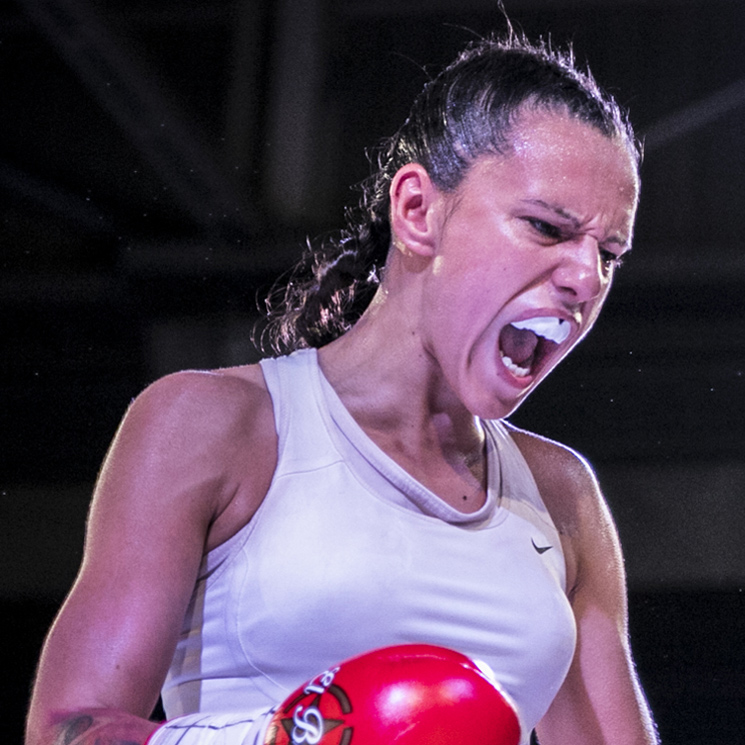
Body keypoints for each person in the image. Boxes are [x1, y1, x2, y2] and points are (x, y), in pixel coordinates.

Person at [25, 30, 659, 745]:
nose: (585, 279)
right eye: (547, 227)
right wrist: (282, 739)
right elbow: (66, 731)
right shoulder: (215, 425)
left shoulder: (560, 494)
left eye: (608, 255)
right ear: (418, 211)